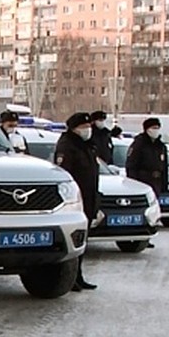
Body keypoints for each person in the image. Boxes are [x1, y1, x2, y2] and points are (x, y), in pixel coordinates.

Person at [54, 112, 99, 291]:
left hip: (88, 198)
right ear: (74, 128)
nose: (88, 130)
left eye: (89, 127)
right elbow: (64, 173)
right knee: (74, 240)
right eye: (84, 127)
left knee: (82, 242)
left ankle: (78, 276)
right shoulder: (67, 145)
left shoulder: (86, 146)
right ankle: (70, 278)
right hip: (75, 200)